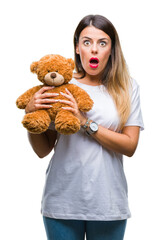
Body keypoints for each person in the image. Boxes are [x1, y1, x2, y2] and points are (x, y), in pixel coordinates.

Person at [25, 15, 144, 240]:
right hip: (62, 201)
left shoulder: (128, 87)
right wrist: (32, 116)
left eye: (102, 42)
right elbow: (42, 150)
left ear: (112, 48)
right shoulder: (61, 85)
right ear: (77, 47)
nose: (94, 50)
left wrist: (85, 122)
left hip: (108, 203)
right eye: (87, 42)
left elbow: (130, 146)